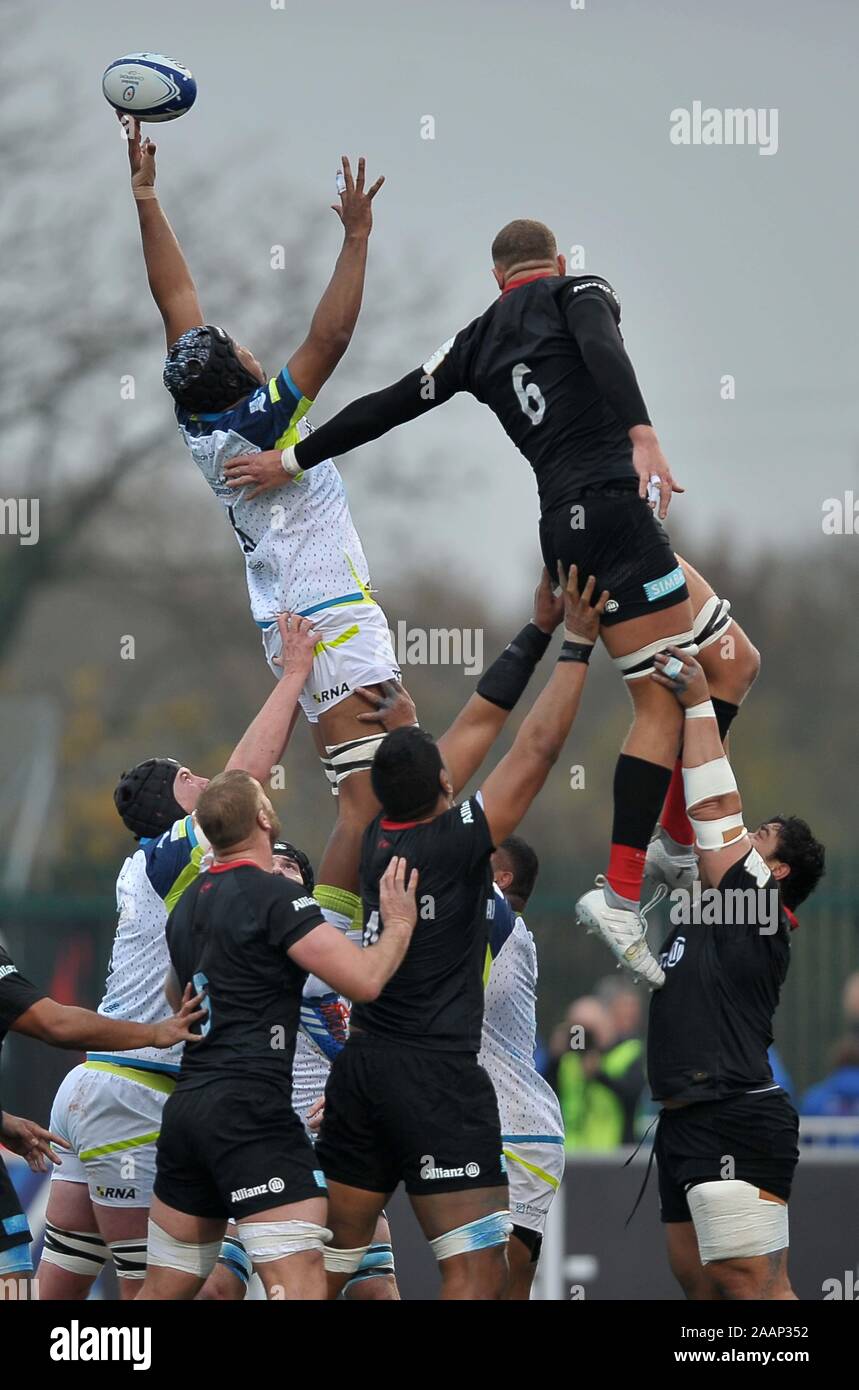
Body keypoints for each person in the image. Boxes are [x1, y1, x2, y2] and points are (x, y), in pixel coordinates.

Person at [225, 219, 754, 982]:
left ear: (496, 279)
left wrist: (292, 458)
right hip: (611, 515)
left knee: (734, 662)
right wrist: (641, 432)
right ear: (556, 262)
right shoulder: (579, 291)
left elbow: (391, 402)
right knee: (663, 700)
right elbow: (601, 346)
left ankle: (671, 841)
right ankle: (623, 892)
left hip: (573, 525)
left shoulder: (472, 342)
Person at [119, 114, 399, 950]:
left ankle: (355, 935)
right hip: (327, 615)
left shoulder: (198, 413)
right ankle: (339, 948)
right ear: (243, 372)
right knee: (375, 796)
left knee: (389, 781)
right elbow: (330, 337)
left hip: (299, 619)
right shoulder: (258, 422)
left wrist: (146, 197)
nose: (248, 345)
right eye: (243, 347)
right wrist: (356, 238)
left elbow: (174, 299)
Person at [315, 566, 608, 1300]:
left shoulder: (376, 833)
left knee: (328, 1262)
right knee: (475, 1272)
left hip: (362, 1071)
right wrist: (574, 644)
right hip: (437, 1079)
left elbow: (476, 728)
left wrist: (537, 630)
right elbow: (531, 750)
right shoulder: (456, 842)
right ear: (445, 786)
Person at [38, 615, 332, 1299]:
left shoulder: (160, 872)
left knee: (59, 1294)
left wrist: (292, 683)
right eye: (188, 779)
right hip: (135, 1090)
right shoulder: (172, 854)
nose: (204, 779)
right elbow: (246, 778)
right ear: (173, 813)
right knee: (154, 1298)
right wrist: (294, 673)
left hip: (92, 1088)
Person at [136, 772, 419, 1301]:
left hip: (188, 1112)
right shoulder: (275, 897)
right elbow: (365, 981)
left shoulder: (188, 903)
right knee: (300, 1284)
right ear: (263, 818)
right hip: (251, 1113)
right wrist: (400, 923)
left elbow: (178, 996)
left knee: (163, 1291)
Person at [634, 646, 826, 1300]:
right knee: (700, 1286)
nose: (743, 839)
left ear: (776, 873)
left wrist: (700, 704)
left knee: (750, 1286)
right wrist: (696, 717)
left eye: (759, 837)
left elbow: (714, 809)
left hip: (733, 1113)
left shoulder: (759, 908)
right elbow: (688, 815)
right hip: (682, 1118)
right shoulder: (714, 904)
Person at [0, 938, 202, 1291]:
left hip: (103, 1094)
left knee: (19, 1283)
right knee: (14, 1283)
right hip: (126, 1097)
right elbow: (55, 1024)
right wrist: (154, 1033)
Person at [480, 836, 565, 1299]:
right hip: (484, 1127)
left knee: (498, 1286)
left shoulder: (507, 929)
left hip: (521, 1133)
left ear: (502, 879)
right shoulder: (476, 932)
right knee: (474, 1279)